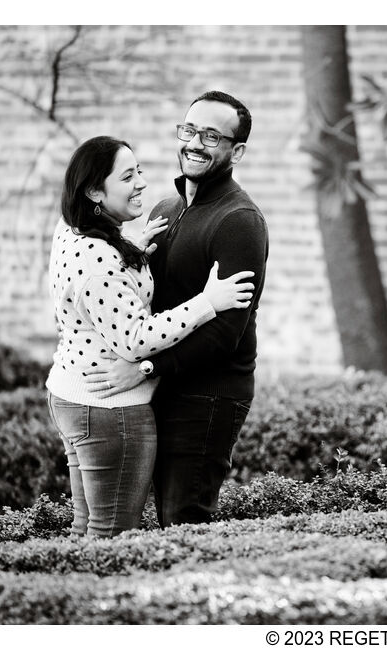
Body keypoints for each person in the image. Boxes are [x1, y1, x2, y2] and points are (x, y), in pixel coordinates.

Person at [46, 135, 255, 537]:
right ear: (94, 191)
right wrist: (208, 301)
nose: (141, 182)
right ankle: (93, 600)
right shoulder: (98, 258)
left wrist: (131, 246)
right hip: (109, 407)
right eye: (127, 176)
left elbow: (99, 277)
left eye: (138, 170)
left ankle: (69, 593)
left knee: (85, 529)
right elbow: (135, 339)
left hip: (73, 392)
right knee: (112, 534)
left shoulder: (73, 229)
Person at [86, 91, 269, 528]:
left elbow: (226, 335)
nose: (195, 143)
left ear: (236, 151)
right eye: (189, 130)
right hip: (160, 389)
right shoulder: (167, 208)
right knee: (144, 520)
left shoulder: (239, 221)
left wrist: (146, 368)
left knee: (184, 519)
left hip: (208, 395)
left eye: (211, 135)